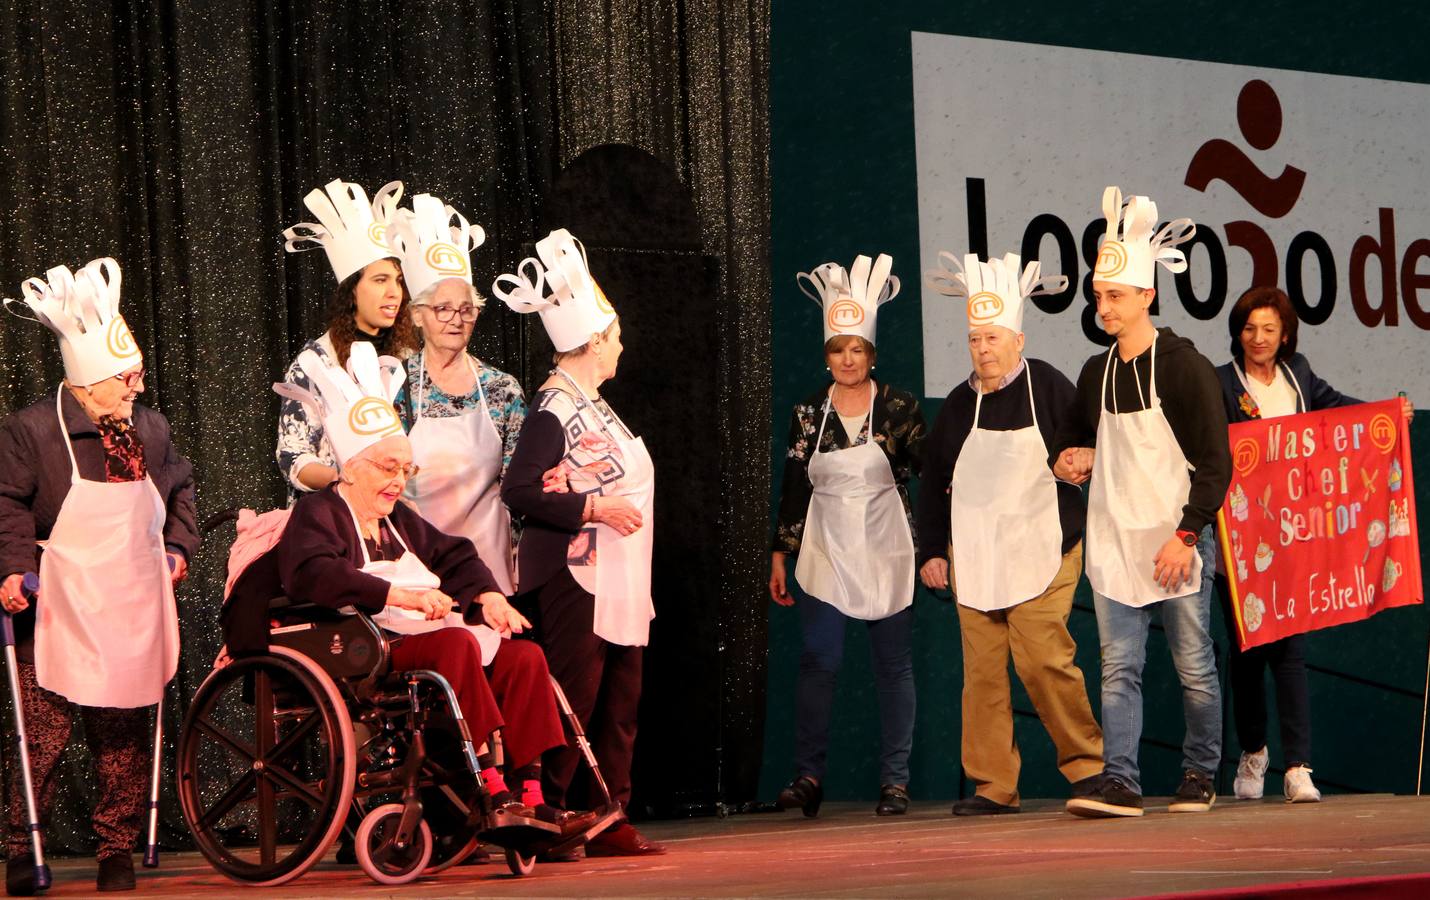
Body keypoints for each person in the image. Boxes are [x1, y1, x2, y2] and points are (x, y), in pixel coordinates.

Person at [247, 342, 574, 832]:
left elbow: (455, 554)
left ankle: (532, 791)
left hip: (418, 639)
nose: (399, 481)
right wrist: (399, 595)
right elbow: (313, 573)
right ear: (352, 466)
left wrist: (487, 597)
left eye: (406, 469)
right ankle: (493, 788)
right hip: (365, 646)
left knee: (523, 656)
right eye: (387, 468)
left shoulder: (398, 517)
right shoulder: (319, 512)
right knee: (458, 643)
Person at [0, 259, 197, 894]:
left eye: (137, 373)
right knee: (44, 732)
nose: (137, 384)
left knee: (121, 729)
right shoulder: (31, 429)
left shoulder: (150, 428)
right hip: (55, 594)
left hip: (128, 596)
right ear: (89, 382)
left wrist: (177, 547)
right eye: (126, 376)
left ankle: (115, 845)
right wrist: (13, 569)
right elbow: (6, 503)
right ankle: (21, 844)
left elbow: (180, 491)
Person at [1057, 187, 1230, 818]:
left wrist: (1185, 536)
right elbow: (1077, 440)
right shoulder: (1093, 372)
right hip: (1114, 542)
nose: (1104, 308)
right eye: (1099, 297)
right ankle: (1122, 780)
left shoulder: (1185, 368)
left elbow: (1216, 465)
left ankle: (1199, 772)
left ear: (1147, 296)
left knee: (1193, 668)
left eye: (1116, 297)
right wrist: (1071, 459)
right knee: (1117, 670)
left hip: (1174, 541)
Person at [496, 229, 662, 856]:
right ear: (593, 343)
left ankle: (609, 815)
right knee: (576, 693)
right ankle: (553, 814)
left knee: (620, 699)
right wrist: (592, 505)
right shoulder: (551, 409)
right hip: (576, 574)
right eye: (615, 337)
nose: (621, 346)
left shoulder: (594, 402)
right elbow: (519, 490)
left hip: (622, 574)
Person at [919, 250, 1103, 816]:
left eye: (993, 338)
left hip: (1044, 546)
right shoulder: (956, 406)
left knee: (1044, 659)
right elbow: (932, 482)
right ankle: (993, 785)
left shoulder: (1048, 386)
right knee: (982, 676)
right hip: (975, 554)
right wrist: (930, 550)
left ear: (1017, 340)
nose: (983, 349)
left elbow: (1084, 445)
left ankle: (1089, 767)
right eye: (975, 339)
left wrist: (1078, 460)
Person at [1215, 286, 1414, 803]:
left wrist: (1388, 414)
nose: (1258, 339)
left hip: (1295, 535)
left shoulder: (1297, 374)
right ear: (1237, 331)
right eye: (1250, 328)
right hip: (1241, 543)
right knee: (1246, 655)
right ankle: (1255, 752)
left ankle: (1298, 767)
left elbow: (1338, 412)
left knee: (1290, 652)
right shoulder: (1219, 384)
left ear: (1286, 335)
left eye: (1270, 329)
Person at [769, 253, 924, 818]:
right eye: (838, 349)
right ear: (826, 354)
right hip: (825, 549)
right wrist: (780, 553)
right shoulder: (807, 413)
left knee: (894, 666)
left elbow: (930, 475)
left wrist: (937, 546)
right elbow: (793, 482)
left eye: (857, 348)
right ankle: (808, 777)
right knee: (818, 660)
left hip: (888, 546)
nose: (848, 358)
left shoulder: (901, 407)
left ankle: (895, 781)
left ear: (872, 354)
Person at [388, 192, 525, 597]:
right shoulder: (395, 384)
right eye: (442, 309)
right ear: (417, 315)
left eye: (466, 309)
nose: (455, 320)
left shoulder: (502, 389)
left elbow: (517, 485)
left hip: (490, 563)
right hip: (418, 563)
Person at [276, 178, 418, 501]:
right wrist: (346, 478)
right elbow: (293, 457)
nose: (394, 292)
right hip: (329, 521)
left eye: (397, 281)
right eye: (380, 280)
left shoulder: (407, 361)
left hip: (392, 517)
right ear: (351, 290)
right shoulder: (315, 363)